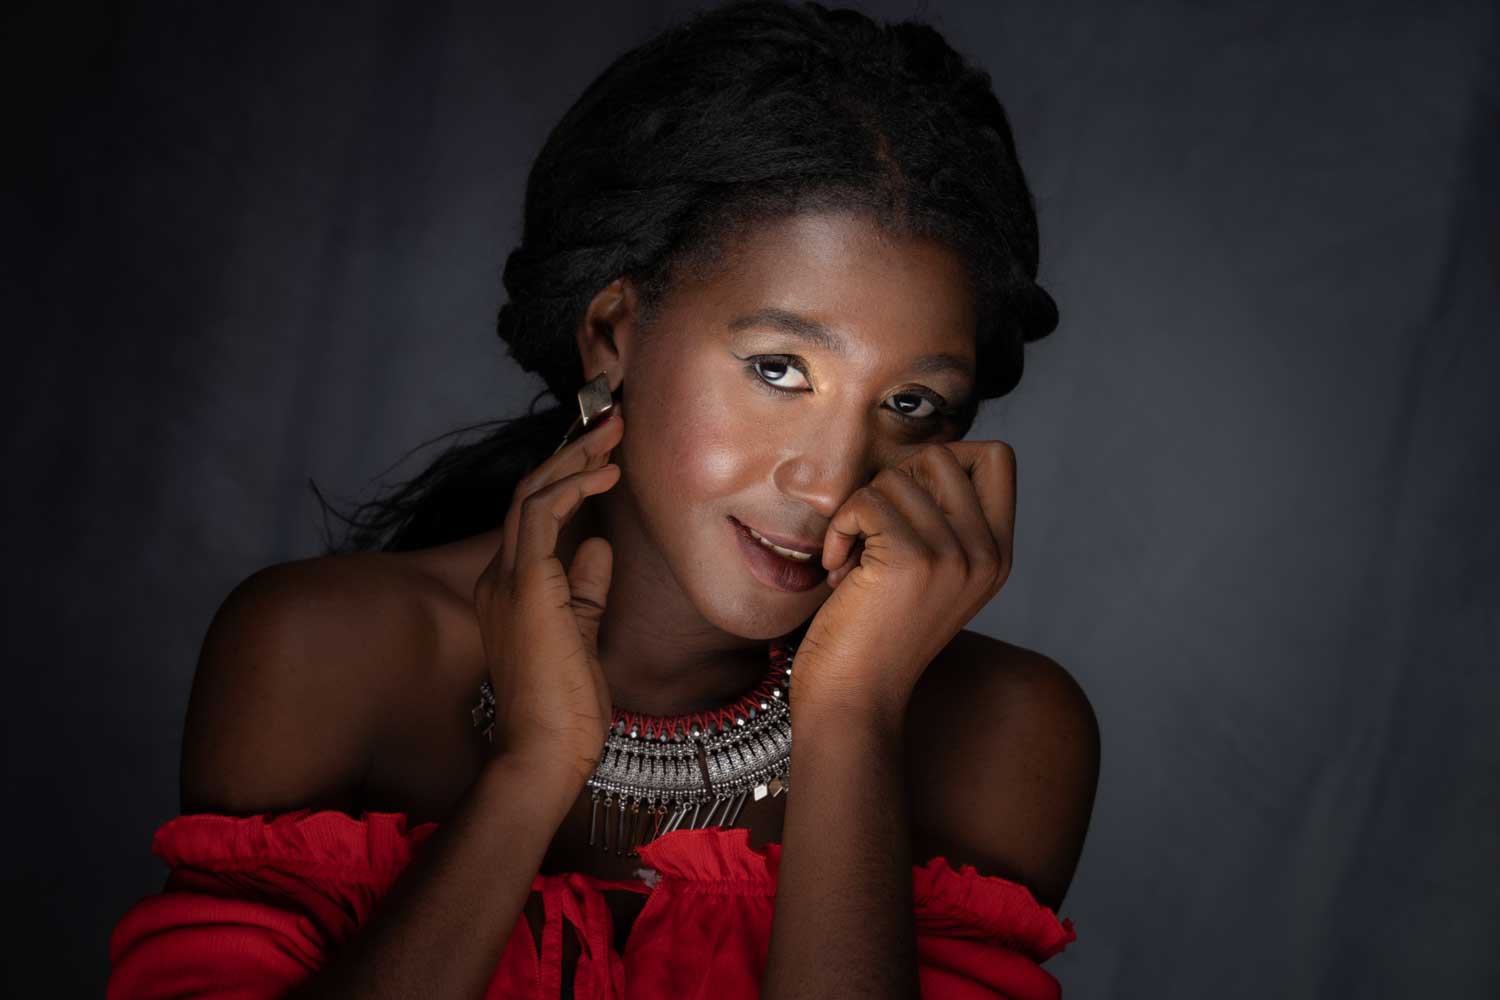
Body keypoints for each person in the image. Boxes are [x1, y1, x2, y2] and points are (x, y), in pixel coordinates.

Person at [106, 2, 1100, 997]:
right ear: (612, 333)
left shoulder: (1002, 734)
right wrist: (532, 769)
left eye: (912, 401)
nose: (833, 477)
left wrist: (851, 717)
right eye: (779, 368)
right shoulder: (326, 653)